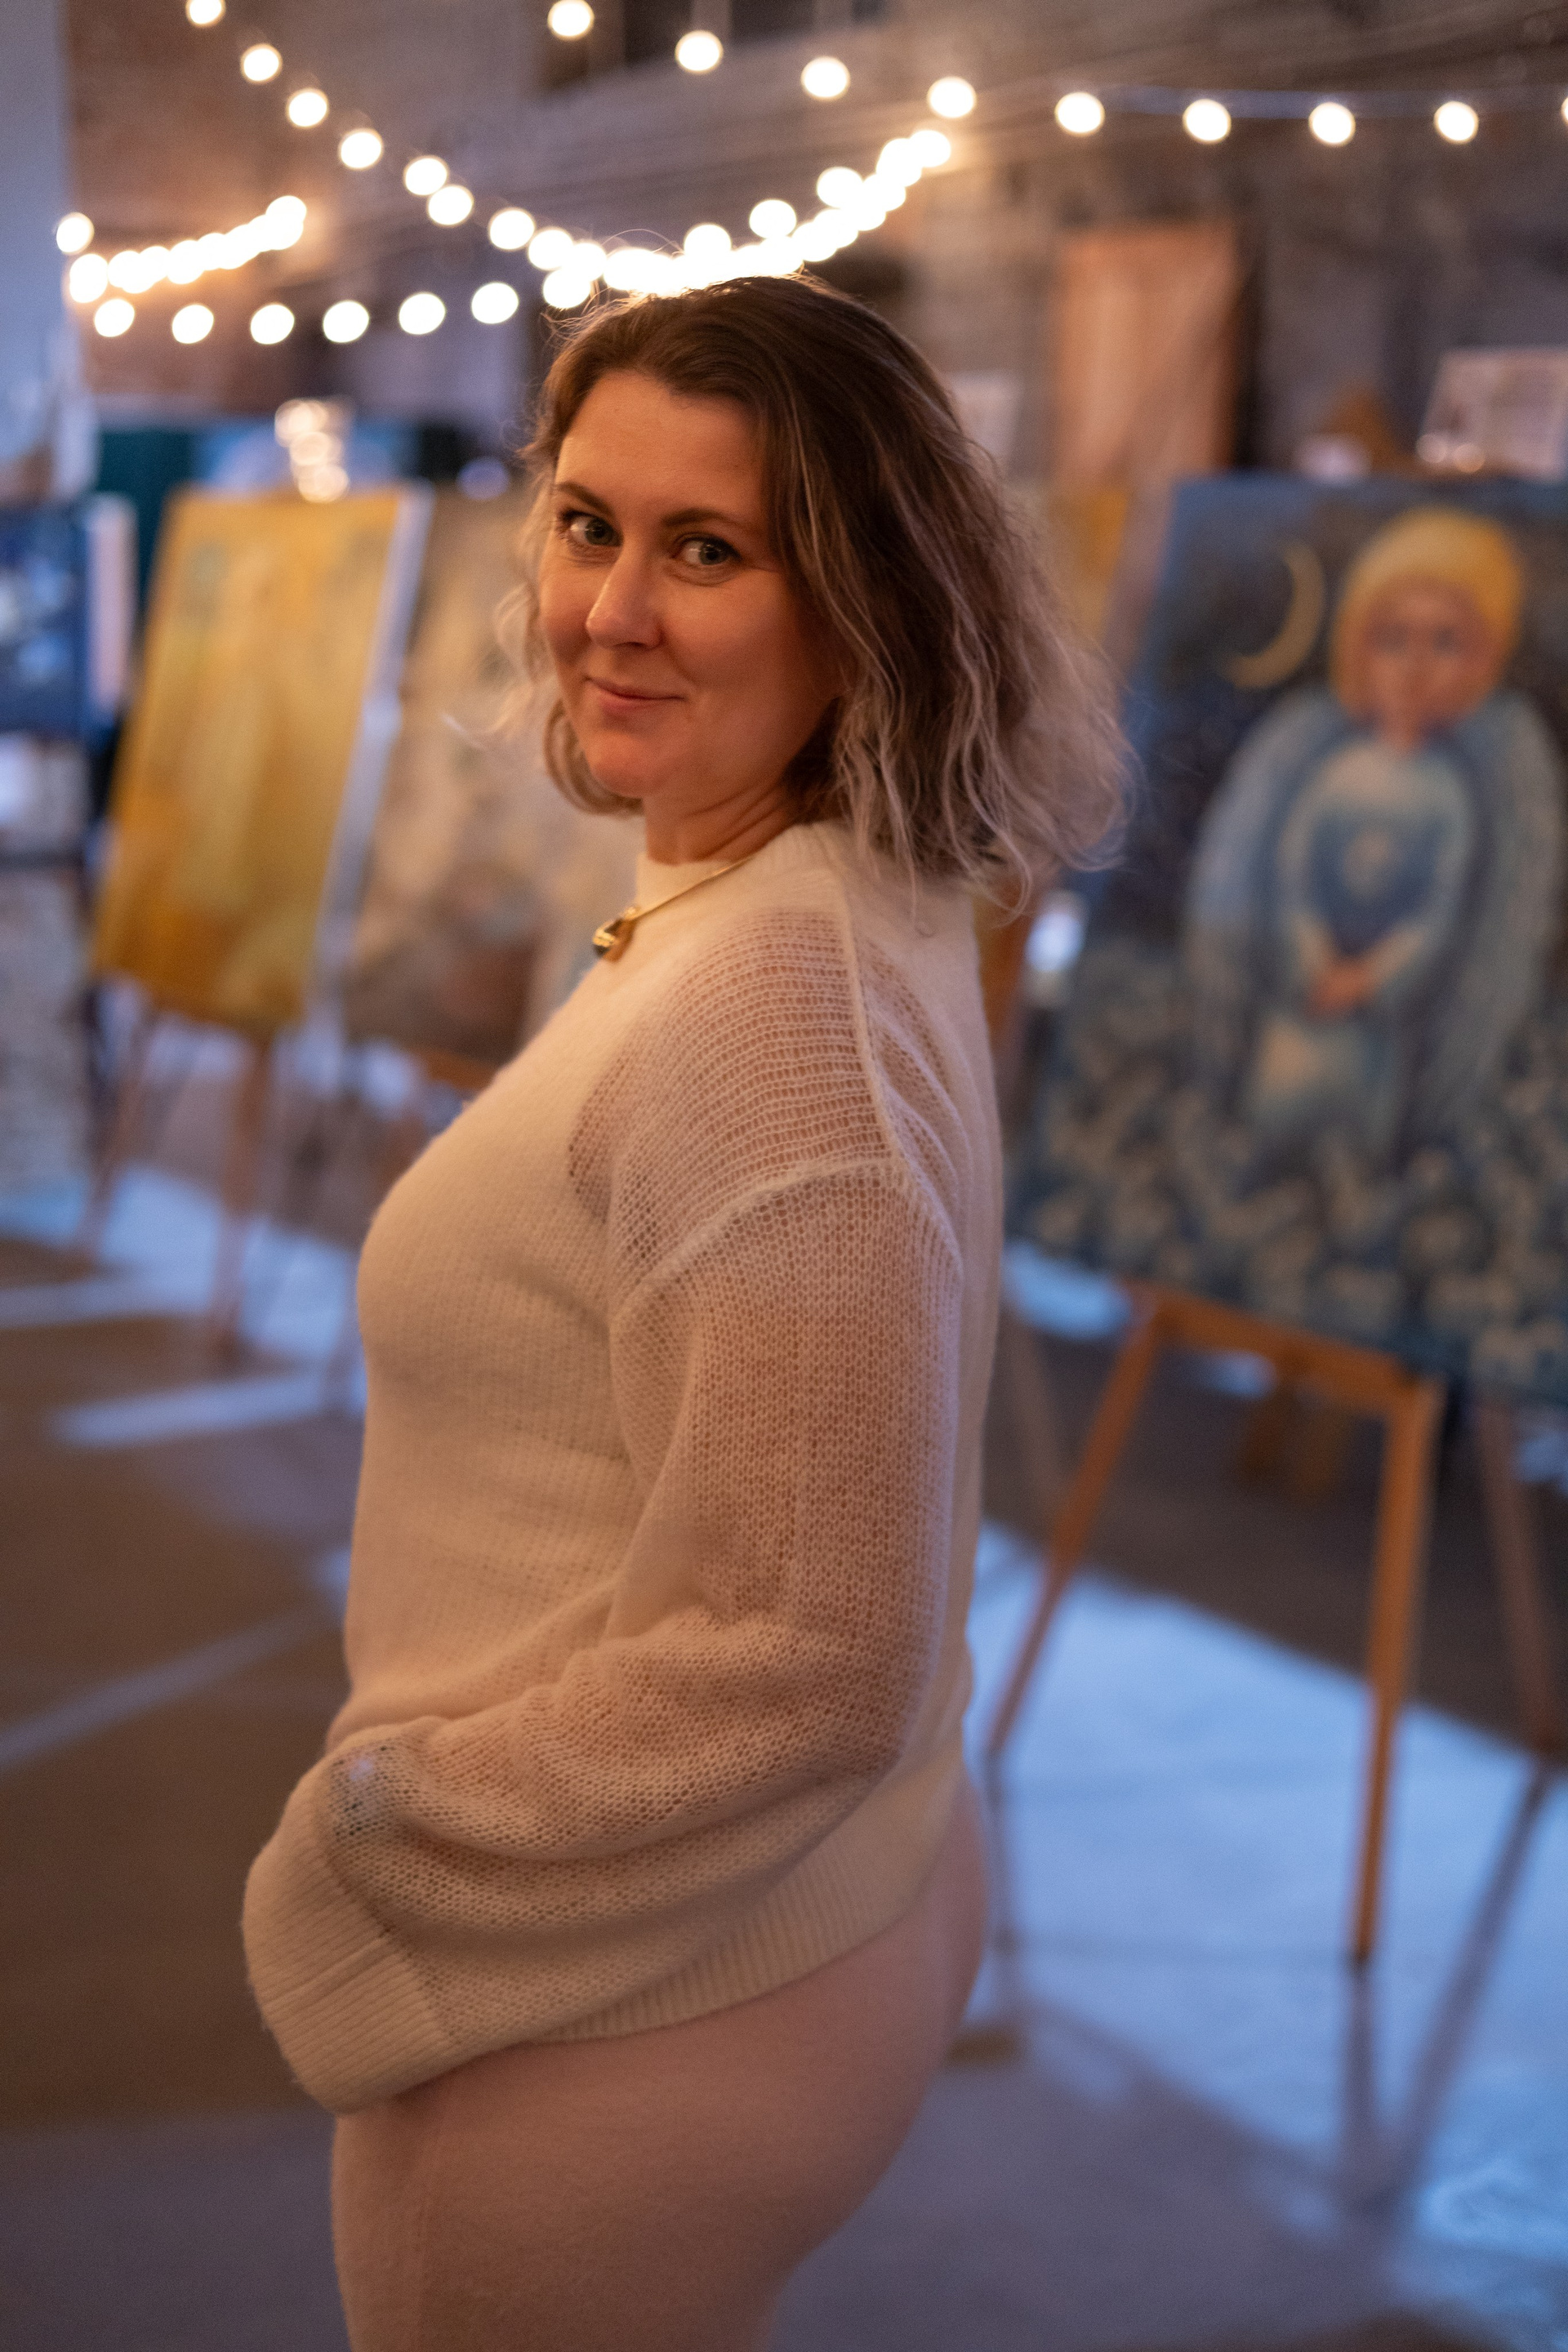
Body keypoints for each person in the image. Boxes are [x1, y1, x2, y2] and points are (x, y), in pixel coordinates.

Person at [243, 272, 1119, 2351]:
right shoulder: (802, 895)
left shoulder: (772, 1017)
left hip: (624, 2006)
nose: (609, 610)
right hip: (730, 1939)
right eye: (585, 523)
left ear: (864, 600)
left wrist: (379, 1838)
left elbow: (808, 1649)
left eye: (707, 549)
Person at [1187, 506, 1565, 1171]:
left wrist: (1374, 976)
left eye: (1445, 642)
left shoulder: (1453, 792)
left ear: (1483, 660)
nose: (1415, 665)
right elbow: (1289, 874)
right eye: (1394, 639)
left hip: (1380, 1027)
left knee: (1360, 1150)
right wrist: (1311, 956)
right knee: (1267, 1132)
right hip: (1302, 1004)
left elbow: (1443, 906)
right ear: (1359, 645)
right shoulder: (1327, 764)